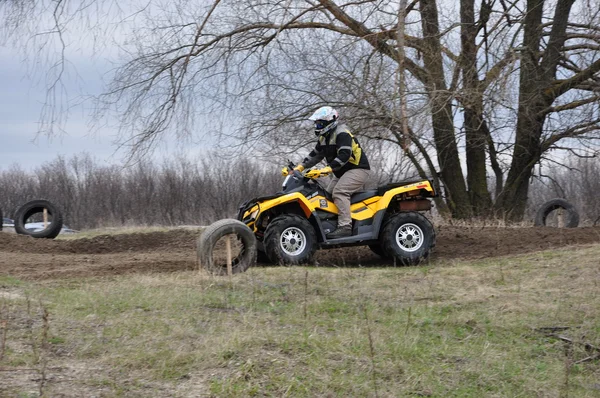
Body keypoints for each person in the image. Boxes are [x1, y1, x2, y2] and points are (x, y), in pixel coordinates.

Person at [283, 106, 371, 238]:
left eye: (319, 123)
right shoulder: (324, 137)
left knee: (339, 192)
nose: (316, 126)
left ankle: (345, 226)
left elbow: (344, 155)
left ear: (329, 122)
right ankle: (332, 224)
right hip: (342, 172)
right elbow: (315, 155)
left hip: (358, 169)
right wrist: (299, 168)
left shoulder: (342, 133)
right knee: (327, 195)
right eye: (316, 123)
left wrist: (327, 169)